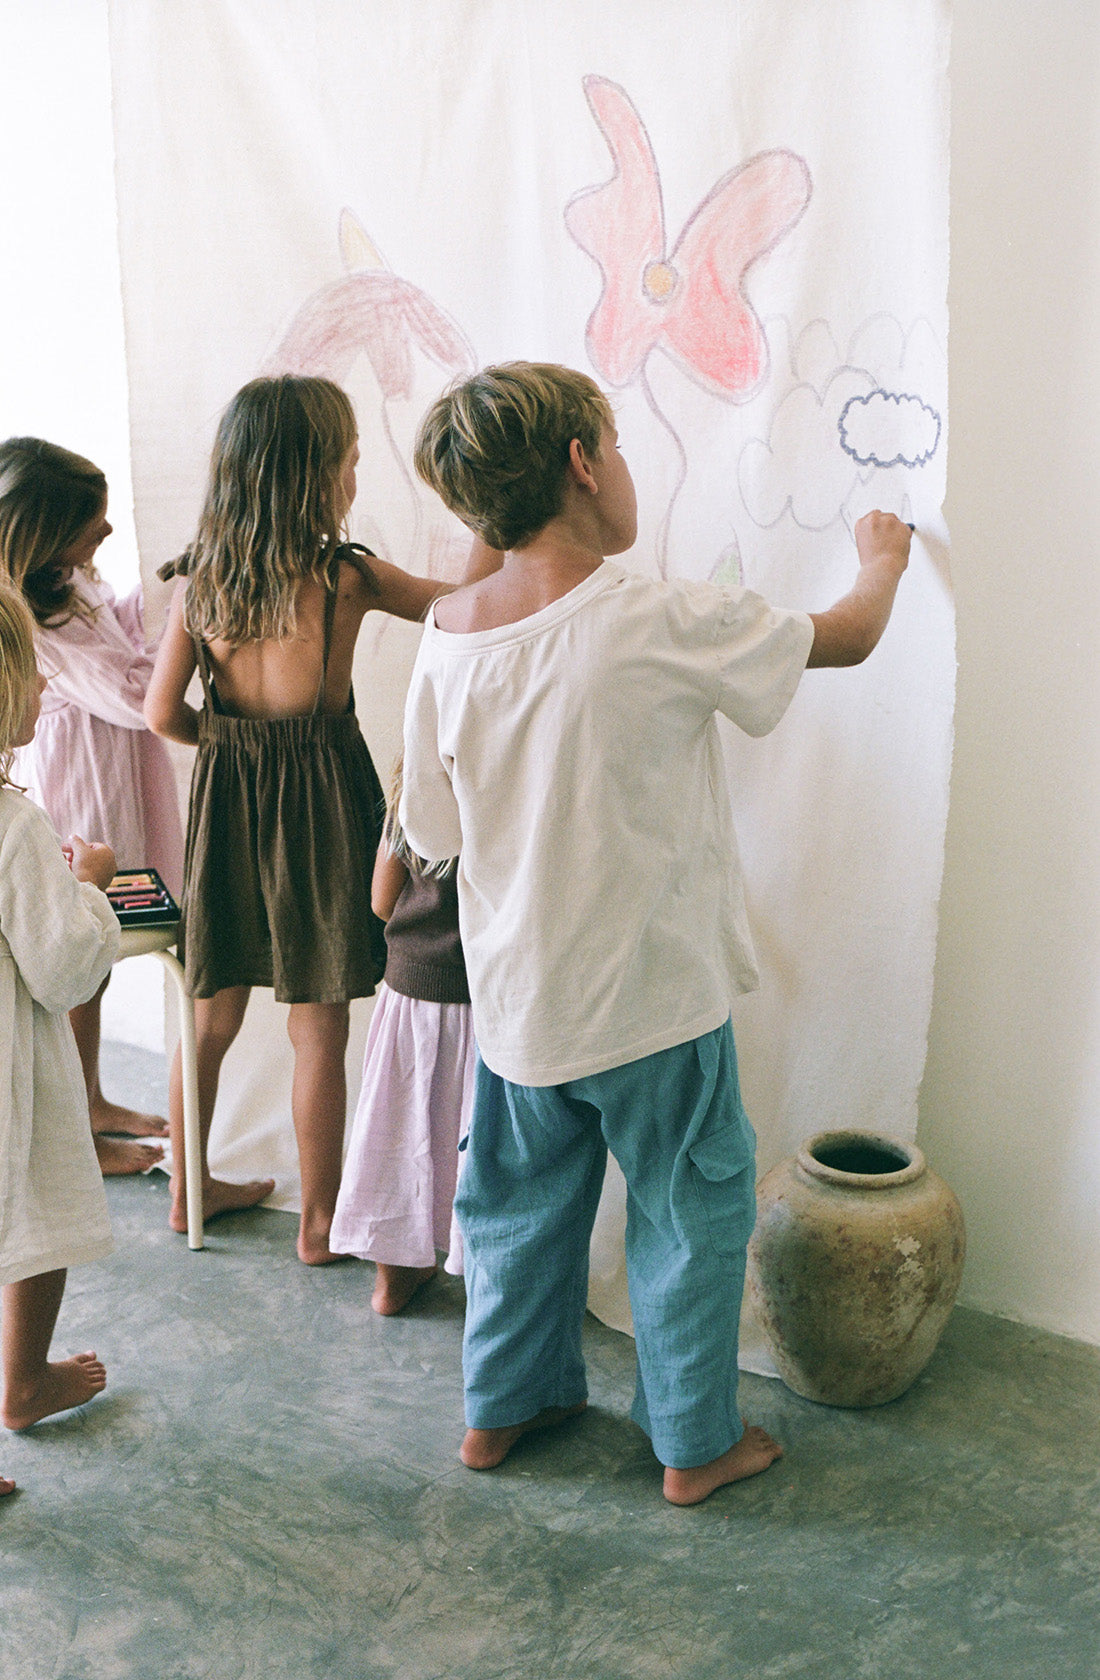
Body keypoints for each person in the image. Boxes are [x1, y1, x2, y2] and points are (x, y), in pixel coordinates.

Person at [401, 361, 911, 1504]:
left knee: (515, 1215)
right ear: (583, 464)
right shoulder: (655, 616)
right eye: (618, 446)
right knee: (689, 1214)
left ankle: (499, 1409)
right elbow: (842, 638)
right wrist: (881, 560)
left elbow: (429, 825)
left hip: (522, 1008)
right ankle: (692, 1444)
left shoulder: (446, 635)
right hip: (650, 1002)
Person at [145, 375, 499, 1264]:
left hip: (229, 810)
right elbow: (459, 609)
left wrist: (227, 748)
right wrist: (497, 527)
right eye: (346, 460)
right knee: (318, 1026)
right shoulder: (344, 577)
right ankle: (317, 1224)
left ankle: (188, 1191)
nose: (355, 474)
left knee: (208, 1015)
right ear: (312, 477)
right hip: (324, 811)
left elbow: (160, 714)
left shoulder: (202, 583)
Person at [0, 437, 183, 1176]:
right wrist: (185, 627)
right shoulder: (28, 619)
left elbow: (120, 630)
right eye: (90, 523)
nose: (106, 533)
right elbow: (136, 694)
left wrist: (163, 592)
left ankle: (92, 1096)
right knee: (82, 940)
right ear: (41, 531)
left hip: (119, 774)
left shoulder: (67, 584)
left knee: (98, 956)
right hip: (88, 785)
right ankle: (78, 1118)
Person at [0, 583, 120, 1495]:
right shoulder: (16, 827)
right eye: (29, 662)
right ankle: (24, 1379)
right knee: (33, 1221)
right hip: (12, 1087)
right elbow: (64, 969)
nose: (46, 678)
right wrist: (94, 889)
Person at [330, 760, 473, 1313]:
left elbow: (381, 899)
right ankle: (476, 1266)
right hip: (480, 999)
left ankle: (393, 1279)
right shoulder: (510, 792)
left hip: (409, 992)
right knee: (468, 1135)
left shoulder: (412, 792)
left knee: (396, 1129)